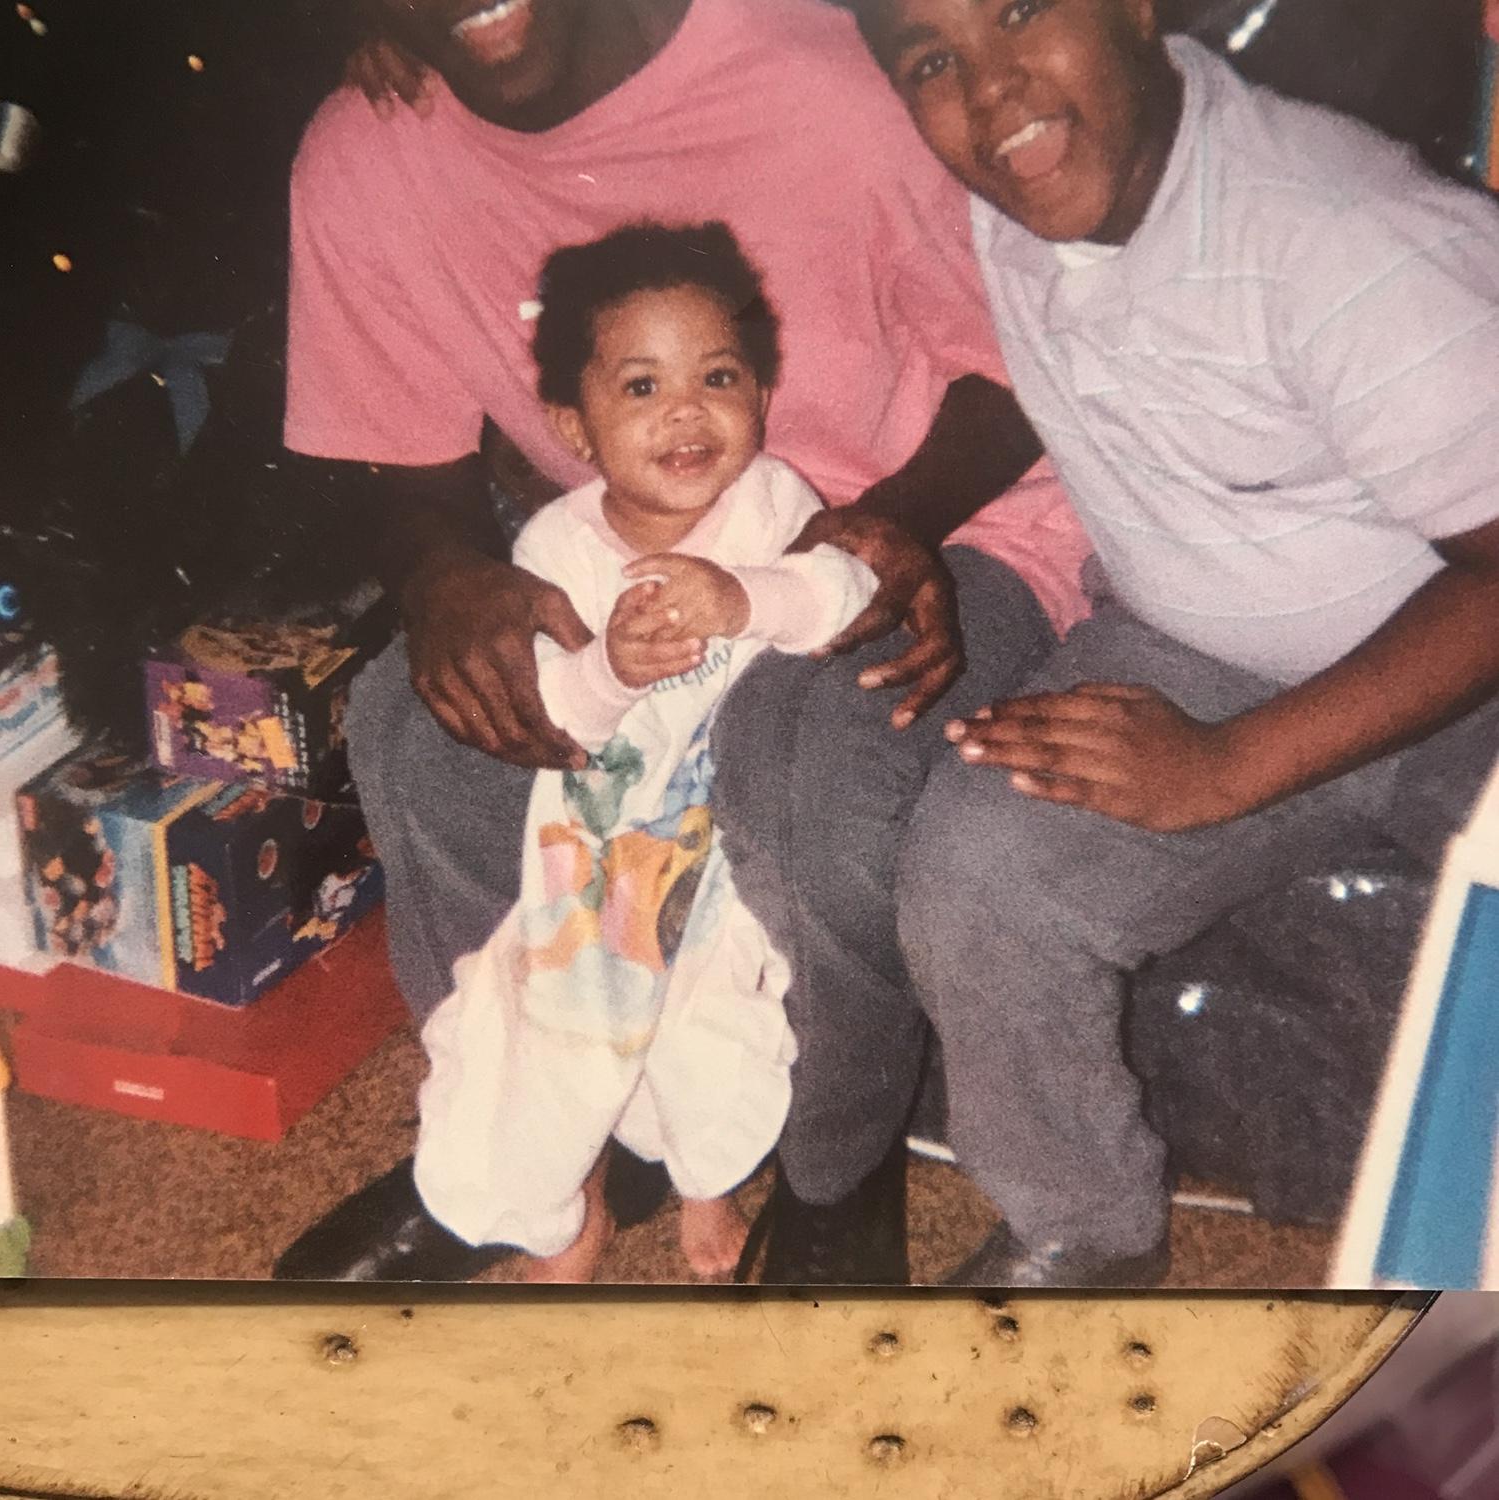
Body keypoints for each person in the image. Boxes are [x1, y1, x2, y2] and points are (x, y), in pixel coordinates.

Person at [272, 0, 1094, 1284]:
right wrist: (444, 577)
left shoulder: (818, 77)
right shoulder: (371, 152)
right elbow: (408, 460)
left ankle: (834, 1172)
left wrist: (876, 537)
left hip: (939, 519)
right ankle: (541, 1151)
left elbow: (1028, 351)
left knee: (811, 764)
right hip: (647, 556)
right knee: (421, 727)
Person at [835, 0, 1499, 1285]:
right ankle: (1080, 1232)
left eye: (1021, 10)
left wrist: (1229, 765)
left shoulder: (1344, 236)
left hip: (1464, 665)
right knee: (981, 872)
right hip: (1197, 645)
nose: (992, 90)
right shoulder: (1020, 188)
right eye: (935, 61)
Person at [413, 220, 879, 1281]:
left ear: (762, 393)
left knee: (715, 1029)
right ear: (573, 428)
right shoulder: (557, 548)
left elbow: (847, 591)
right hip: (597, 851)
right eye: (640, 387)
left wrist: (746, 597)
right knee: (559, 1034)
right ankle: (565, 1202)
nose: (685, 411)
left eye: (718, 376)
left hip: (727, 841)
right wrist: (612, 669)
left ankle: (706, 1180)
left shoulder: (772, 505)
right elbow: (552, 714)